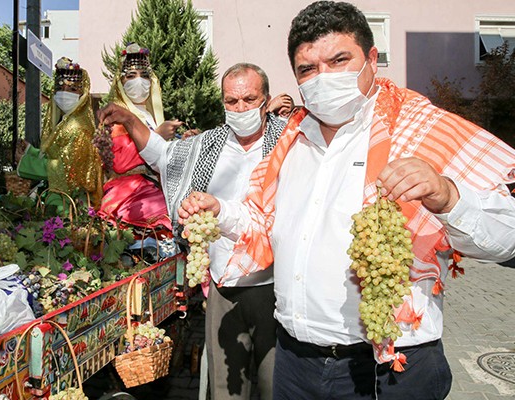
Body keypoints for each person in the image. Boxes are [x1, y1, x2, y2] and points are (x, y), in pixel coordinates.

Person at [178, 1, 515, 399]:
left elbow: (505, 236)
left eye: (339, 60)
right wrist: (222, 212)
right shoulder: (290, 142)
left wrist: (449, 196)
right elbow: (266, 225)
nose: (324, 78)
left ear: (372, 58)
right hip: (293, 362)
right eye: (308, 69)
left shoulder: (422, 131)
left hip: (386, 367)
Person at [99, 63, 294, 400]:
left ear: (266, 100)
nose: (241, 109)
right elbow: (162, 155)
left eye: (250, 99)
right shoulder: (207, 146)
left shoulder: (290, 144)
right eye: (231, 101)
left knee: (275, 386)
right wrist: (129, 120)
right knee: (225, 389)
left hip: (275, 286)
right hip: (222, 288)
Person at [96, 42, 181, 230]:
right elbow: (119, 162)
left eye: (144, 76)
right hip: (127, 192)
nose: (139, 81)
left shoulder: (152, 115)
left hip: (154, 186)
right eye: (131, 76)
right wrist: (157, 136)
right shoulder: (117, 117)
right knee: (170, 212)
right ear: (121, 82)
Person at [18, 57, 103, 204]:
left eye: (72, 89)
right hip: (58, 195)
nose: (64, 94)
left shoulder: (78, 127)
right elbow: (57, 155)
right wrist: (30, 151)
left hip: (67, 202)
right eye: (60, 89)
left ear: (81, 94)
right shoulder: (66, 122)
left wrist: (25, 162)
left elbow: (65, 168)